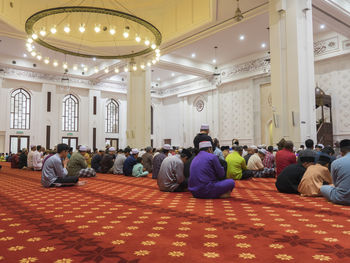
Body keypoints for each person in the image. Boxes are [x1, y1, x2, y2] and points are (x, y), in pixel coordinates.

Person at [320, 139, 350, 205]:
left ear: (341, 152)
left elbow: (335, 183)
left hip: (341, 198)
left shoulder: (336, 163)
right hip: (342, 196)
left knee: (323, 188)